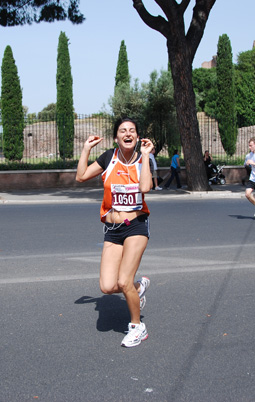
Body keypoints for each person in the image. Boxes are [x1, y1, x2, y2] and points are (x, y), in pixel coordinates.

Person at [76, 117, 152, 348]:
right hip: (112, 228)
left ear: (137, 137)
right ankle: (139, 287)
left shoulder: (143, 160)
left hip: (136, 226)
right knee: (108, 287)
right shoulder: (108, 158)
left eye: (132, 131)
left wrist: (147, 156)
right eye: (122, 131)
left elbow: (146, 187)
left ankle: (137, 327)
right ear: (116, 137)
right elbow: (81, 176)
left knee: (123, 280)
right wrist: (86, 148)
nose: (127, 134)